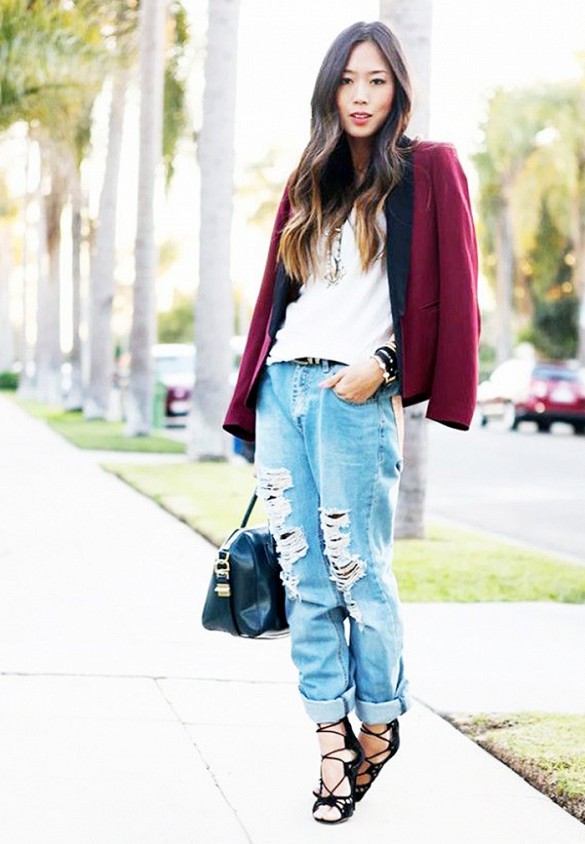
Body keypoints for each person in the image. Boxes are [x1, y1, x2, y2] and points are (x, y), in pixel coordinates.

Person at [224, 20, 479, 824]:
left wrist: (387, 365)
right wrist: (254, 393)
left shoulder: (429, 168)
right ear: (328, 90)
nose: (360, 96)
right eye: (347, 81)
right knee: (303, 578)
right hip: (283, 389)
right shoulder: (310, 177)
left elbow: (457, 290)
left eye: (375, 80)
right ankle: (331, 741)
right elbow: (277, 300)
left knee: (358, 571)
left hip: (353, 395)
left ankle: (379, 721)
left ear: (398, 88)